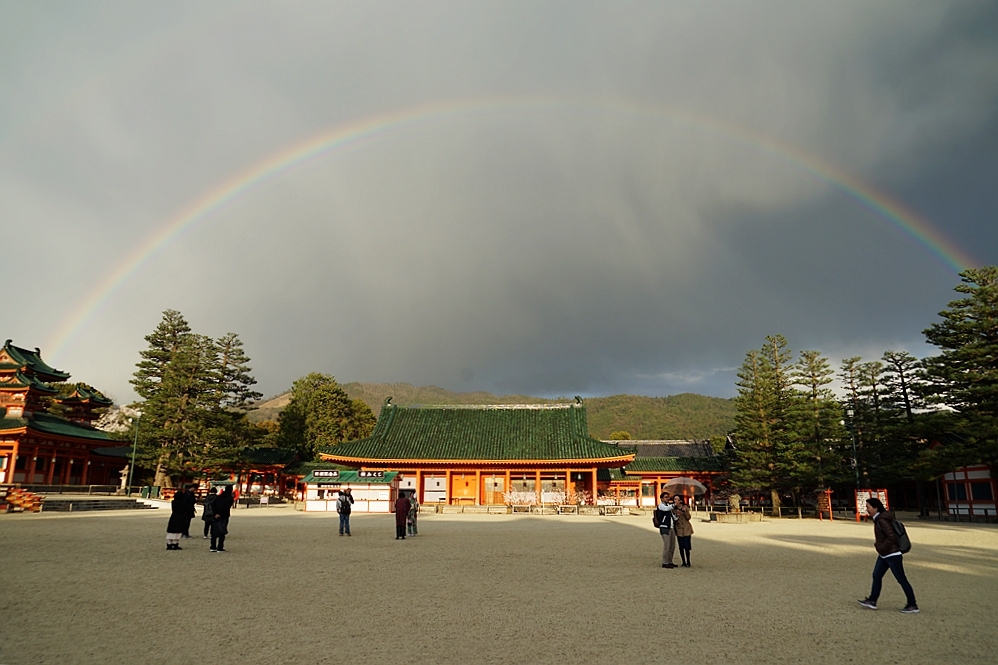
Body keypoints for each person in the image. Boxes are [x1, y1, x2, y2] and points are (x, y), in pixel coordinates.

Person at [858, 497, 919, 613]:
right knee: (876, 575)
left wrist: (881, 547)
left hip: (891, 554)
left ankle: (912, 604)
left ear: (875, 508)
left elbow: (891, 537)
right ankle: (872, 600)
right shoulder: (880, 518)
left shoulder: (882, 520)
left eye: (868, 507)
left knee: (901, 579)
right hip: (885, 554)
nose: (867, 510)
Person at [654, 491, 678, 568]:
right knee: (667, 546)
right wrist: (674, 505)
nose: (667, 498)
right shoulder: (661, 506)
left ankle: (670, 561)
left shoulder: (669, 507)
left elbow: (673, 517)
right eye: (665, 497)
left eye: (668, 497)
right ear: (661, 499)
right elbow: (665, 509)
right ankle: (665, 562)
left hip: (671, 527)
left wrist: (677, 515)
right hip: (664, 527)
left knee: (672, 546)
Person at [672, 494, 694, 567]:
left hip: (686, 528)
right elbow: (673, 519)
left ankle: (688, 561)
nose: (676, 501)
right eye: (675, 499)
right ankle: (683, 561)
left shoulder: (685, 507)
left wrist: (685, 512)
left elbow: (688, 517)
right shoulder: (673, 509)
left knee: (687, 546)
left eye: (678, 499)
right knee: (681, 546)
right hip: (679, 529)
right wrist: (676, 515)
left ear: (681, 500)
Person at [211, 485, 233, 553]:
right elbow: (226, 507)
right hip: (224, 515)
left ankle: (213, 546)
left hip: (215, 515)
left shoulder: (218, 497)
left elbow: (213, 505)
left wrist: (215, 513)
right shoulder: (230, 498)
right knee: (222, 531)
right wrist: (220, 513)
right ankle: (220, 547)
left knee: (214, 530)